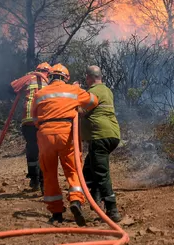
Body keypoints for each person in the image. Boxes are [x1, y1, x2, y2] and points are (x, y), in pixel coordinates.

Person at [33, 63, 99, 225]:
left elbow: (34, 119)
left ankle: (56, 213)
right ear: (66, 78)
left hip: (45, 135)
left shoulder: (39, 94)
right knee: (73, 169)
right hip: (67, 133)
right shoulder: (73, 90)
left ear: (49, 77)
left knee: (49, 172)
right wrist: (78, 106)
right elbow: (93, 101)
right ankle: (76, 201)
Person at [80, 65, 123, 222]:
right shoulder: (107, 90)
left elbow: (80, 110)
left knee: (101, 173)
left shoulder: (92, 93)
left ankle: (112, 210)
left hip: (100, 137)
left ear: (89, 78)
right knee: (88, 169)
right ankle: (95, 197)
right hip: (112, 135)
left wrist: (73, 95)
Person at [10, 62, 51, 191]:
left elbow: (12, 87)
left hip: (29, 120)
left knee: (32, 148)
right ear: (49, 72)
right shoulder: (51, 82)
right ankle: (44, 182)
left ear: (36, 70)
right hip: (45, 120)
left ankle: (34, 180)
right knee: (44, 151)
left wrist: (24, 80)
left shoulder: (29, 78)